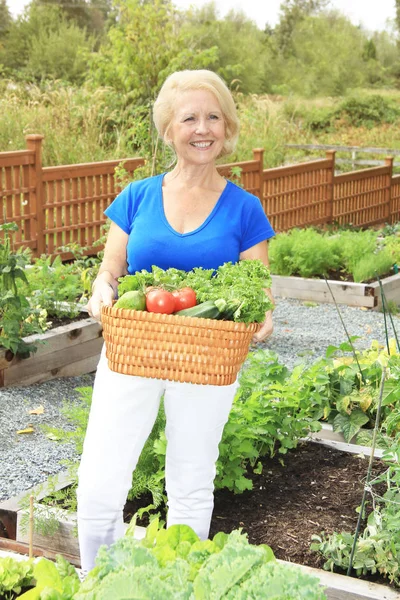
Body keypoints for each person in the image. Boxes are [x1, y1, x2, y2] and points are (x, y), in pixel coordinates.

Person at [77, 69, 275, 572]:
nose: (202, 128)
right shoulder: (138, 196)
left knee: (190, 481)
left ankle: (179, 585)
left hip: (206, 362)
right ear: (169, 129)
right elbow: (109, 271)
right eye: (189, 118)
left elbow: (259, 292)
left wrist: (262, 320)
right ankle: (96, 583)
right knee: (100, 481)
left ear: (227, 129)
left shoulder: (245, 209)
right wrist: (101, 293)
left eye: (214, 117)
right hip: (132, 351)